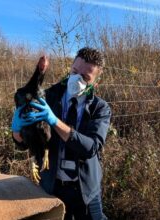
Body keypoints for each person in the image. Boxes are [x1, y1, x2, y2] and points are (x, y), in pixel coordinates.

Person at [11, 47, 111, 220]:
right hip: (52, 188)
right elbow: (23, 144)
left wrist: (54, 121)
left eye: (85, 77)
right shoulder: (47, 97)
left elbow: (90, 147)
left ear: (95, 84)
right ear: (70, 69)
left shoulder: (100, 108)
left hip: (86, 190)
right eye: (74, 71)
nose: (76, 78)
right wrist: (17, 130)